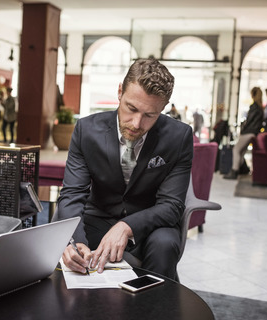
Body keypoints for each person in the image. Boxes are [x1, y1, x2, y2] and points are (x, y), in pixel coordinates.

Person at [56, 58, 193, 281]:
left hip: (149, 225)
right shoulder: (86, 130)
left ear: (163, 108)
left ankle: (151, 308)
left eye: (150, 115)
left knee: (165, 244)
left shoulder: (179, 137)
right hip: (97, 218)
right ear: (120, 92)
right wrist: (75, 241)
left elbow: (172, 206)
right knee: (70, 248)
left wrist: (127, 226)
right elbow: (72, 194)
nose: (137, 123)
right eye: (131, 108)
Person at [224, 87, 264, 179]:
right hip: (254, 133)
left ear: (253, 94)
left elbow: (249, 121)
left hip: (248, 132)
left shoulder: (254, 106)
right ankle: (241, 169)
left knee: (236, 150)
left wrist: (242, 131)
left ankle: (234, 171)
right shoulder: (260, 108)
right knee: (241, 151)